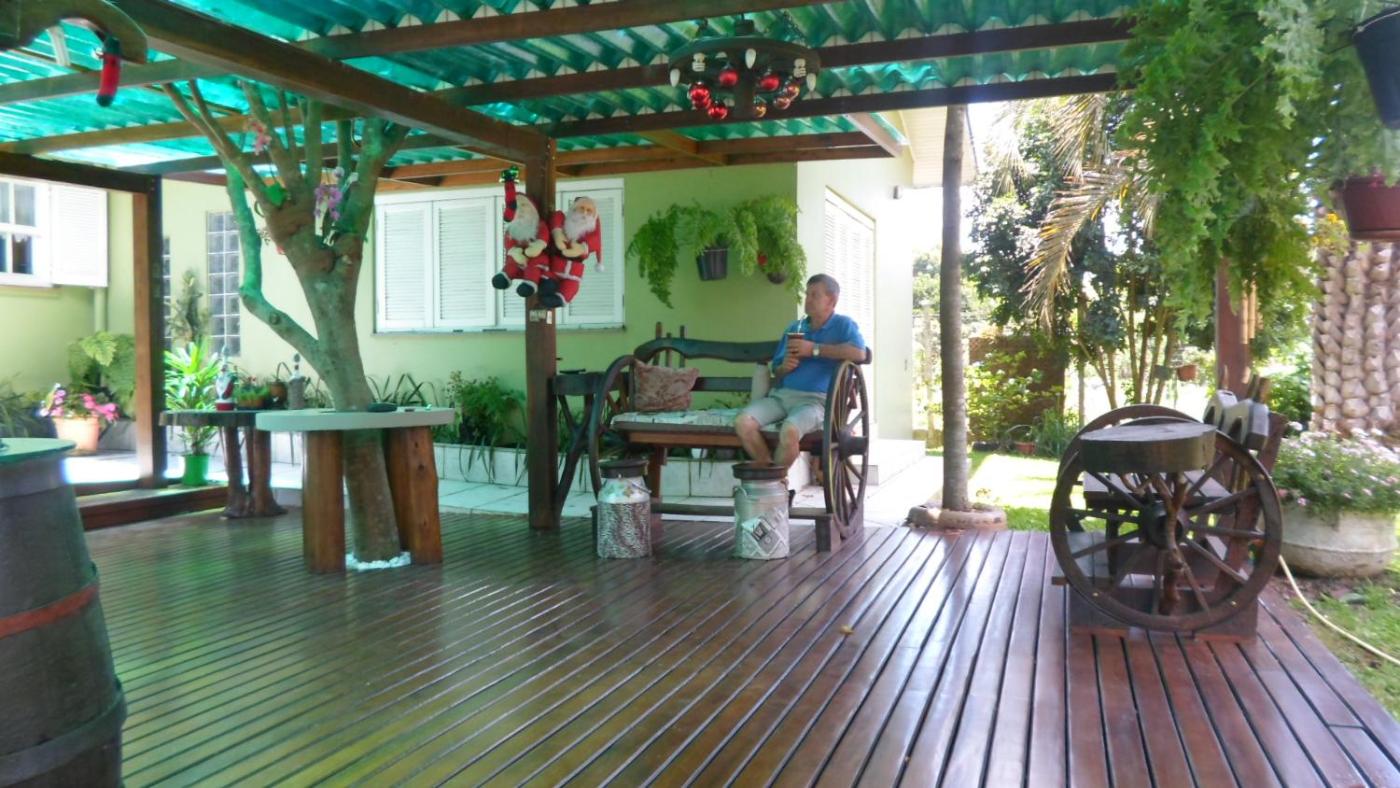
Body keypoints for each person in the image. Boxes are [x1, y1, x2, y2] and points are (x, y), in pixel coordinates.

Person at [734, 274, 867, 470]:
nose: (808, 300)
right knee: (743, 423)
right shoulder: (795, 327)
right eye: (807, 294)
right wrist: (783, 368)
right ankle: (769, 471)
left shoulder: (843, 325)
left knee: (789, 432)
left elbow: (859, 353)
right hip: (781, 397)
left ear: (831, 300)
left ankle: (774, 480)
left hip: (815, 401)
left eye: (815, 295)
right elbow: (777, 370)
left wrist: (814, 349)